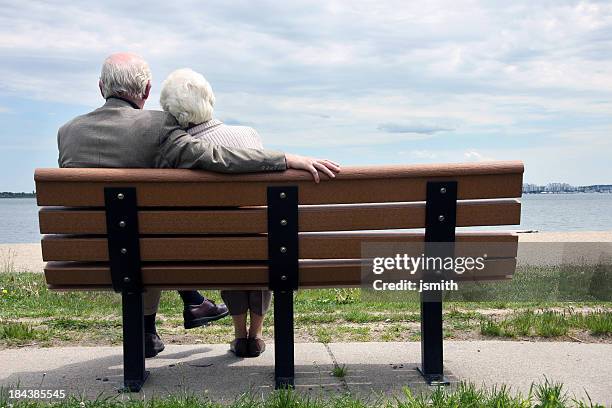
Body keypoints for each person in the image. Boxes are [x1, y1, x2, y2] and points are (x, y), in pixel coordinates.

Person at [57, 52, 341, 358]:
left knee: (135, 236)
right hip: (144, 254)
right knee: (141, 237)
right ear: (147, 91)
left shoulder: (67, 132)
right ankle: (186, 306)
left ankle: (152, 327)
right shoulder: (156, 126)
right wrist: (285, 159)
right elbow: (216, 157)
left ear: (101, 87)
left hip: (85, 257)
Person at [160, 68, 276, 357]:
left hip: (211, 254)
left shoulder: (178, 152)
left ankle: (239, 334)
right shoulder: (248, 134)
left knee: (227, 242)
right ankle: (256, 334)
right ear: (209, 100)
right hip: (260, 247)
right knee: (256, 241)